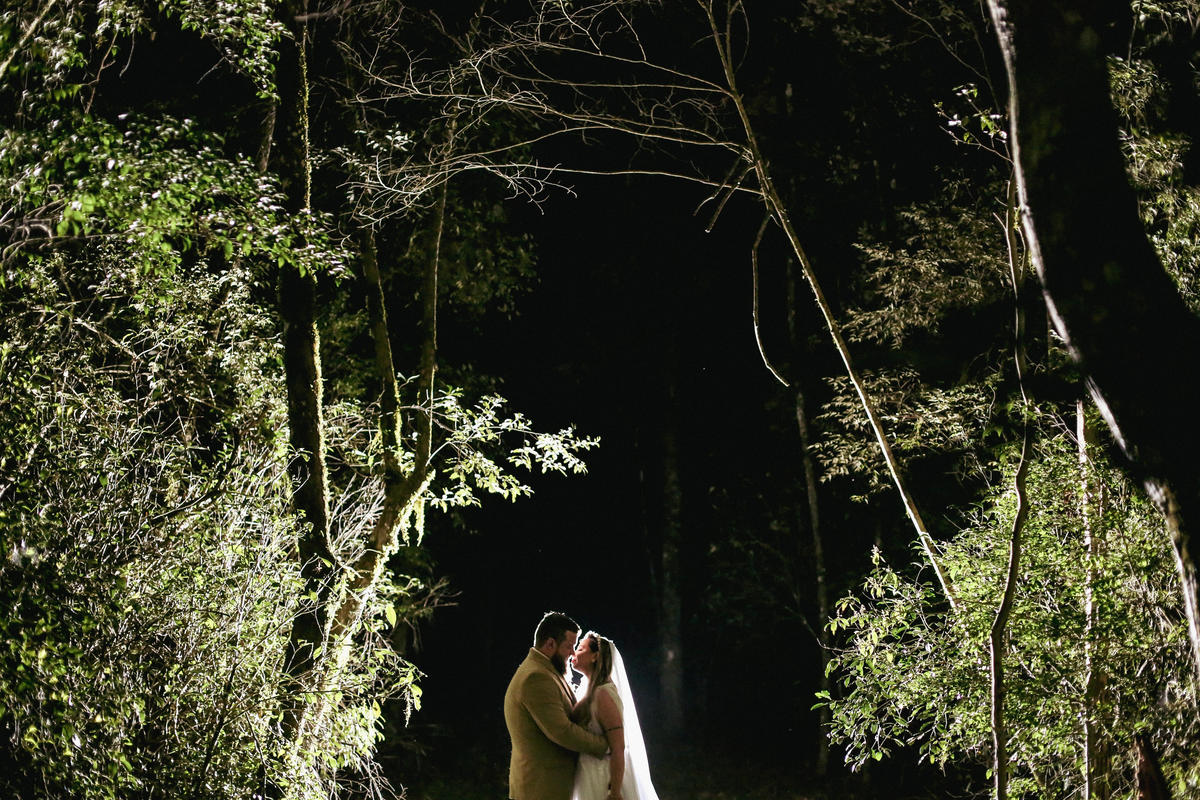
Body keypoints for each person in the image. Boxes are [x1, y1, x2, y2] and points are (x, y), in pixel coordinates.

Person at [505, 611, 610, 800]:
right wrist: (604, 745)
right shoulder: (536, 677)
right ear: (550, 644)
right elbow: (562, 731)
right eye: (569, 646)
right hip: (541, 789)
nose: (572, 653)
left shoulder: (547, 671)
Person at [569, 632, 659, 800]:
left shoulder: (603, 693)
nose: (574, 652)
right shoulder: (587, 690)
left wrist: (614, 791)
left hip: (603, 777)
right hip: (587, 773)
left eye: (580, 649)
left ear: (595, 656)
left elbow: (618, 747)